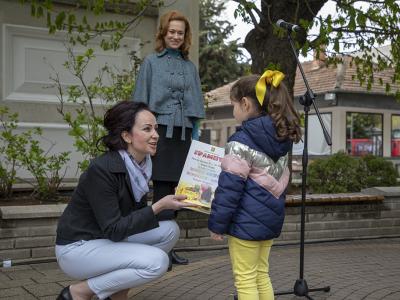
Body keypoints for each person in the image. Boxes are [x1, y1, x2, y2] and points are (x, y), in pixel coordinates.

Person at [55, 101, 195, 300]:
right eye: (147, 129)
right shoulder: (103, 169)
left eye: (155, 128)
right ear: (126, 135)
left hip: (106, 239)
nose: (155, 135)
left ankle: (118, 291)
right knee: (157, 262)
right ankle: (77, 293)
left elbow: (132, 219)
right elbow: (114, 229)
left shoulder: (142, 165)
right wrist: (158, 206)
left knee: (170, 230)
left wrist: (178, 200)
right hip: (79, 248)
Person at [208, 71, 302, 300]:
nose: (233, 110)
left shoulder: (240, 143)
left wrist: (217, 224)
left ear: (245, 104)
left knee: (246, 280)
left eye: (233, 105)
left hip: (244, 225)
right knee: (262, 275)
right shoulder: (282, 138)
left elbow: (229, 190)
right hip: (268, 221)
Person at [132, 10, 205, 265]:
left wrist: (197, 141)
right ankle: (158, 246)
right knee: (162, 190)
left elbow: (196, 110)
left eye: (180, 33)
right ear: (164, 33)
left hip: (184, 136)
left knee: (180, 193)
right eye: (171, 31)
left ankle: (169, 245)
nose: (175, 36)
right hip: (159, 135)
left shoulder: (190, 67)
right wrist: (143, 135)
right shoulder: (151, 62)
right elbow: (140, 103)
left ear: (185, 37)